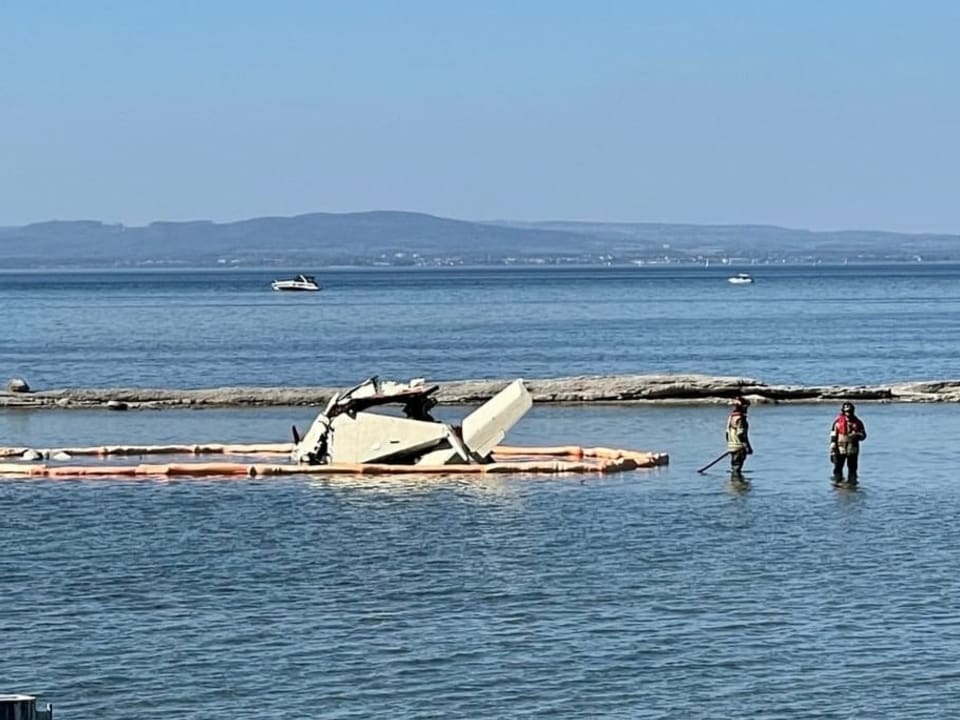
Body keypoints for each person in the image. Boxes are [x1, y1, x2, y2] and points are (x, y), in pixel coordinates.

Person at [830, 401, 867, 482]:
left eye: (850, 411)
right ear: (843, 411)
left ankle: (852, 488)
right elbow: (833, 438)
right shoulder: (837, 423)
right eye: (846, 411)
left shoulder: (858, 422)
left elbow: (864, 436)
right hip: (840, 450)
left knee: (853, 470)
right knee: (838, 470)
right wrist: (832, 452)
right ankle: (837, 487)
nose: (848, 413)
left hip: (852, 450)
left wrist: (857, 435)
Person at [726, 396, 753, 473]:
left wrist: (730, 445)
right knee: (737, 467)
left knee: (734, 466)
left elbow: (727, 433)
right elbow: (741, 434)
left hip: (732, 446)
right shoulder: (740, 419)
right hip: (739, 447)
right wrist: (747, 446)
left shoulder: (731, 417)